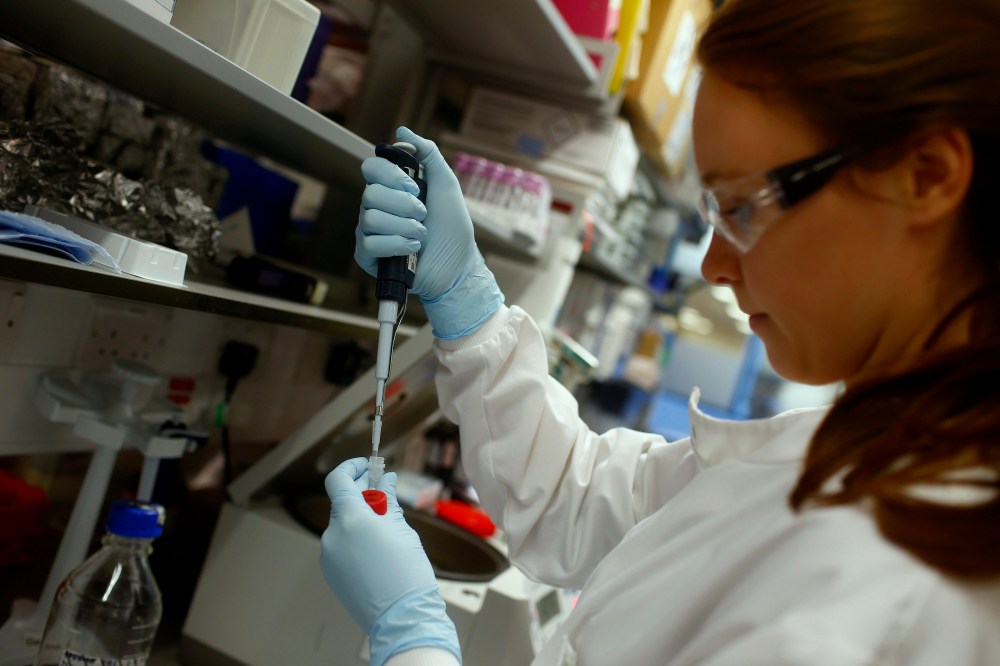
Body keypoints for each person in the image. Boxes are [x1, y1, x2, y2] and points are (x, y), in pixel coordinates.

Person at [319, 0, 1000, 663]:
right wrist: (469, 303)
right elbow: (578, 499)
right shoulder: (855, 447)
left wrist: (413, 643)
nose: (714, 264)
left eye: (742, 208)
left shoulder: (892, 599)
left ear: (926, 176)